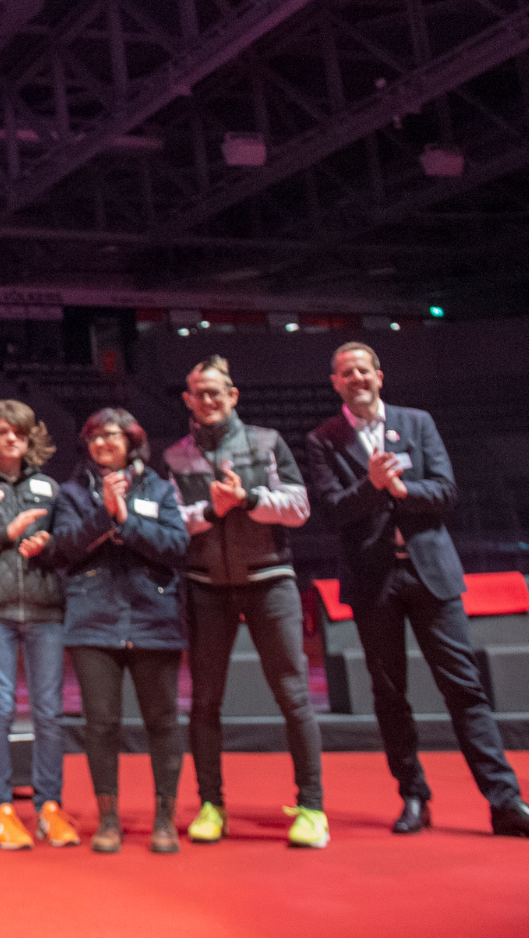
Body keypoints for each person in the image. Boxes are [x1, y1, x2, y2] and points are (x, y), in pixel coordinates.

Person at [307, 342, 529, 843]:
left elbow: (447, 491)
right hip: (374, 580)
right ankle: (414, 796)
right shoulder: (323, 439)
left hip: (431, 573)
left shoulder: (417, 422)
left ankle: (505, 802)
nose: (357, 378)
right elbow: (332, 511)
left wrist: (403, 492)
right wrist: (372, 485)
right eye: (346, 373)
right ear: (335, 383)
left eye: (363, 370)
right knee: (390, 695)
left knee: (465, 689)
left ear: (379, 376)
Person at [162, 356, 326, 850]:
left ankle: (312, 807)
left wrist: (250, 500)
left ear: (233, 396)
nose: (208, 400)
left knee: (293, 695)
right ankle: (211, 804)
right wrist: (214, 510)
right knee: (206, 701)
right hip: (205, 584)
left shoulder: (267, 441)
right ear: (188, 399)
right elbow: (173, 522)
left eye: (216, 392)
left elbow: (299, 507)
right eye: (198, 393)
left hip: (270, 579)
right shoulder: (174, 456)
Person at [43, 408, 188, 855]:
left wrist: (126, 520)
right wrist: (106, 516)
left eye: (112, 436)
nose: (103, 443)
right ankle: (108, 819)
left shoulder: (161, 489)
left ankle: (165, 818)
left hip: (154, 619)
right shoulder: (70, 493)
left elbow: (177, 546)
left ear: (132, 442)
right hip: (93, 622)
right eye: (94, 437)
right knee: (101, 725)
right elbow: (63, 546)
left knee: (162, 723)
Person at [0, 399, 75, 850]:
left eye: (20, 434)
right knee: (2, 707)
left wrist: (48, 545)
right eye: (4, 432)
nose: (12, 439)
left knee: (49, 711)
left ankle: (49, 805)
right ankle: (0, 809)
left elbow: (68, 545)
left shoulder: (50, 488)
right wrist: (7, 534)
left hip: (46, 610)